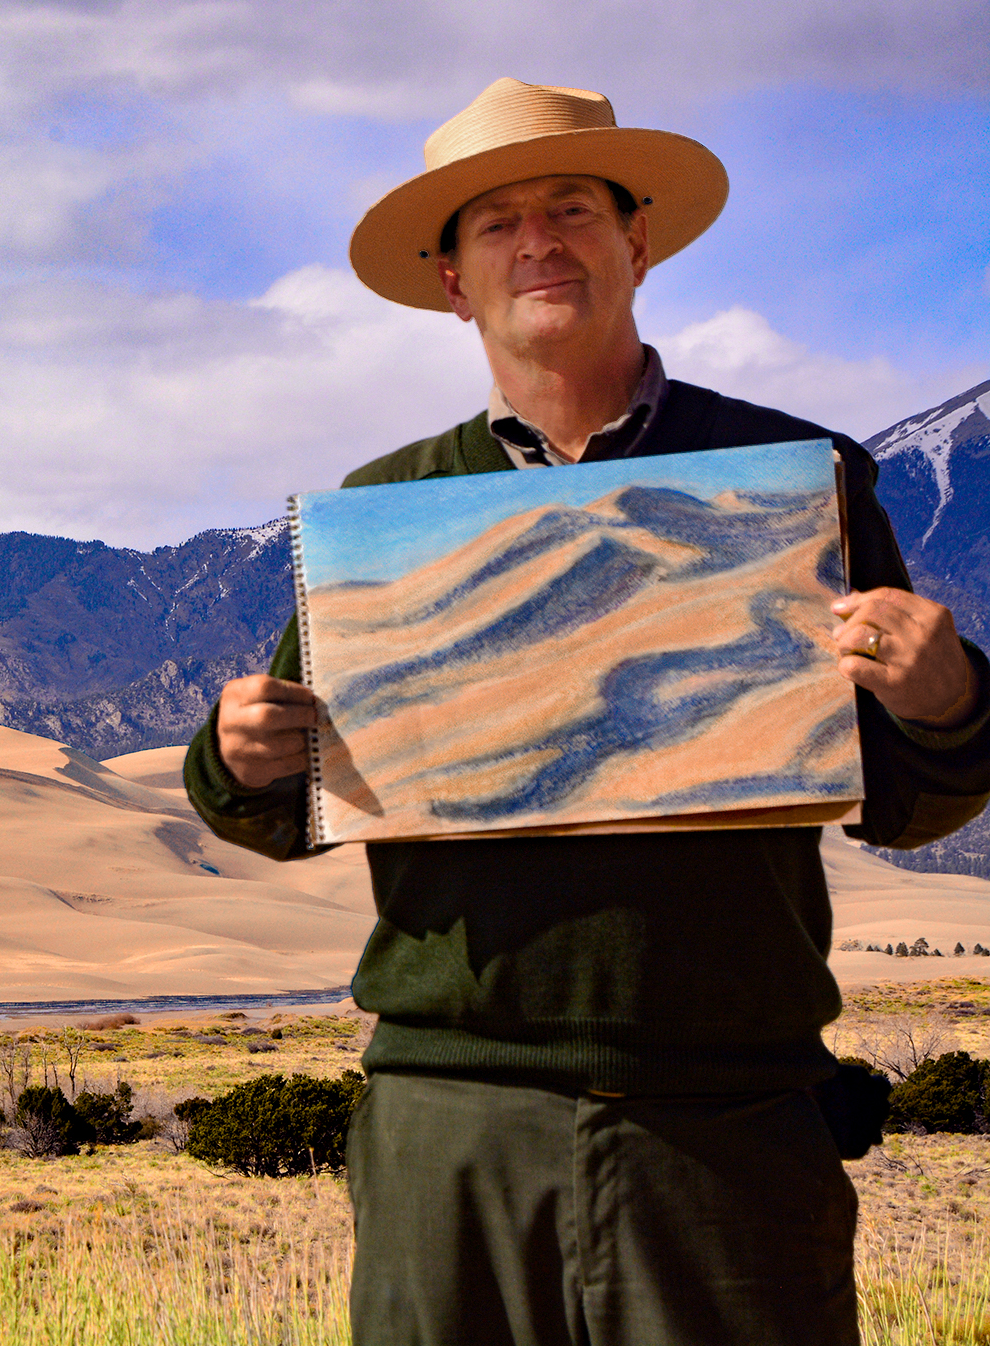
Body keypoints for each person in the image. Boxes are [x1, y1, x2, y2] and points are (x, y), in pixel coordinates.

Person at [184, 78, 990, 1345]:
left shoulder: (796, 481)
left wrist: (950, 703)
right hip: (450, 1113)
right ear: (452, 278)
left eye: (572, 207)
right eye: (497, 222)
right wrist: (235, 757)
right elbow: (288, 809)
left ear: (639, 243)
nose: (539, 241)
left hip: (726, 1115)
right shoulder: (385, 512)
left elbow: (901, 798)